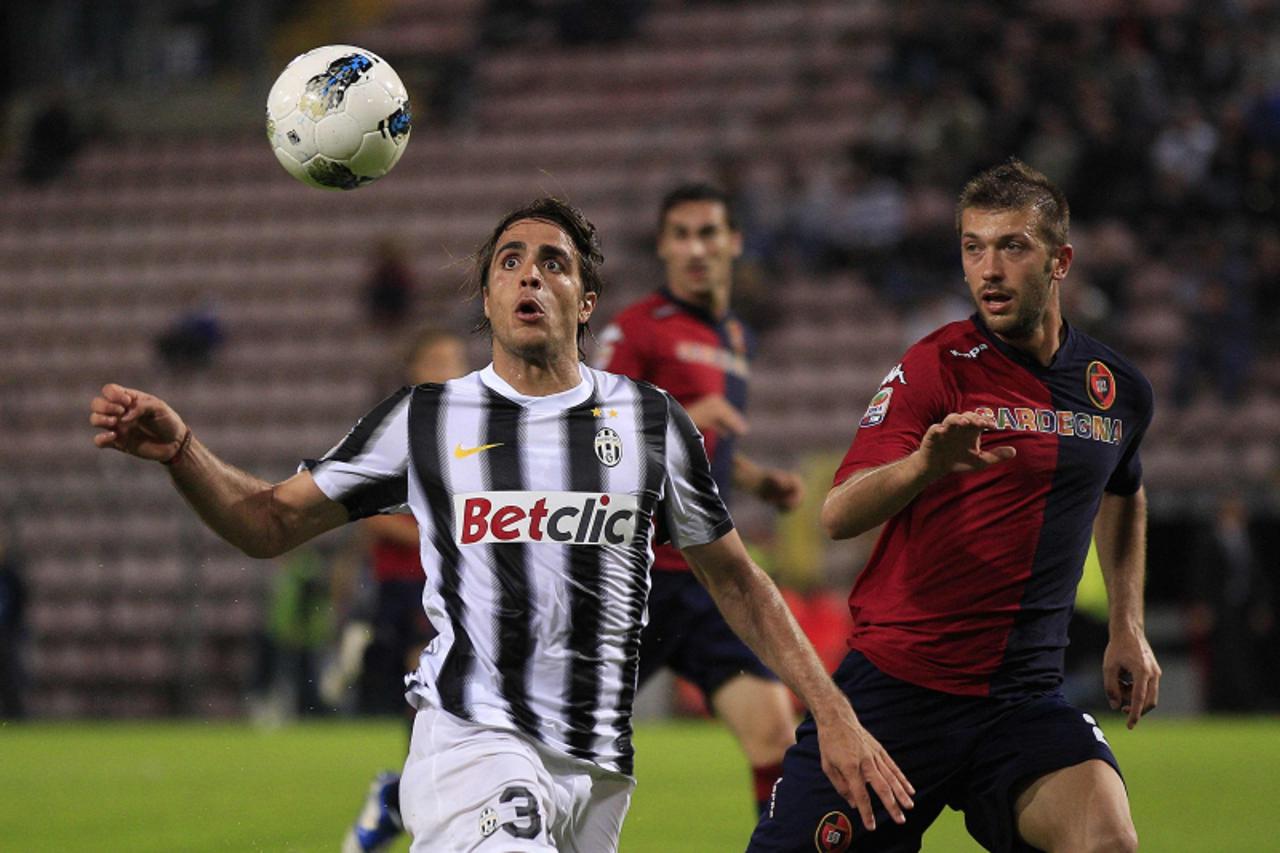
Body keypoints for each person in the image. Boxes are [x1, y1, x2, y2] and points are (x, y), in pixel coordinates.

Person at [90, 197, 913, 852]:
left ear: (584, 301)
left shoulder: (652, 423)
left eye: (552, 263)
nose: (529, 276)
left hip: (597, 767)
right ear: (486, 298)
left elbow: (738, 579)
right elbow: (267, 521)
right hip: (472, 740)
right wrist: (184, 452)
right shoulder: (425, 419)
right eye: (509, 262)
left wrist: (833, 712)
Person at [749, 159, 1161, 853]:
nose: (989, 269)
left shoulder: (1114, 389)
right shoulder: (935, 367)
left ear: (1059, 260)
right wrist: (924, 465)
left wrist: (1128, 621)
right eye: (973, 247)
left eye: (1012, 246)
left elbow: (1124, 488)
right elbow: (838, 512)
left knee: (1108, 842)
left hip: (1022, 701)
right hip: (898, 692)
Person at [593, 182, 804, 818]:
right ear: (662, 245)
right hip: (633, 575)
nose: (695, 248)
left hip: (708, 578)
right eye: (680, 234)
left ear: (733, 242)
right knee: (566, 747)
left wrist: (752, 476)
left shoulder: (736, 337)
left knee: (775, 733)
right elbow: (591, 436)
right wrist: (689, 413)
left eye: (708, 233)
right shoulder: (636, 330)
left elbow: (696, 455)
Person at [342, 328, 469, 853]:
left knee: (452, 698)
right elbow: (369, 515)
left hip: (461, 588)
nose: (445, 368)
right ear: (414, 370)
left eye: (453, 360)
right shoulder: (400, 429)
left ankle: (403, 795)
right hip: (406, 586)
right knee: (432, 692)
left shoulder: (476, 430)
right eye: (435, 360)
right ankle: (410, 796)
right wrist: (441, 532)